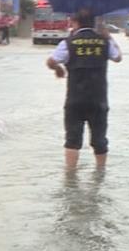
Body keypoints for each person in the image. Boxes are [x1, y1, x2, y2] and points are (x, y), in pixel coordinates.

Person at [46, 9, 122, 168]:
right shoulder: (104, 42)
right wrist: (109, 37)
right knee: (100, 141)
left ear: (75, 22)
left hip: (75, 99)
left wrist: (59, 69)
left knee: (72, 141)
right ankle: (100, 175)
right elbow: (118, 58)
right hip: (98, 100)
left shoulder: (68, 43)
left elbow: (51, 61)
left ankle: (70, 178)